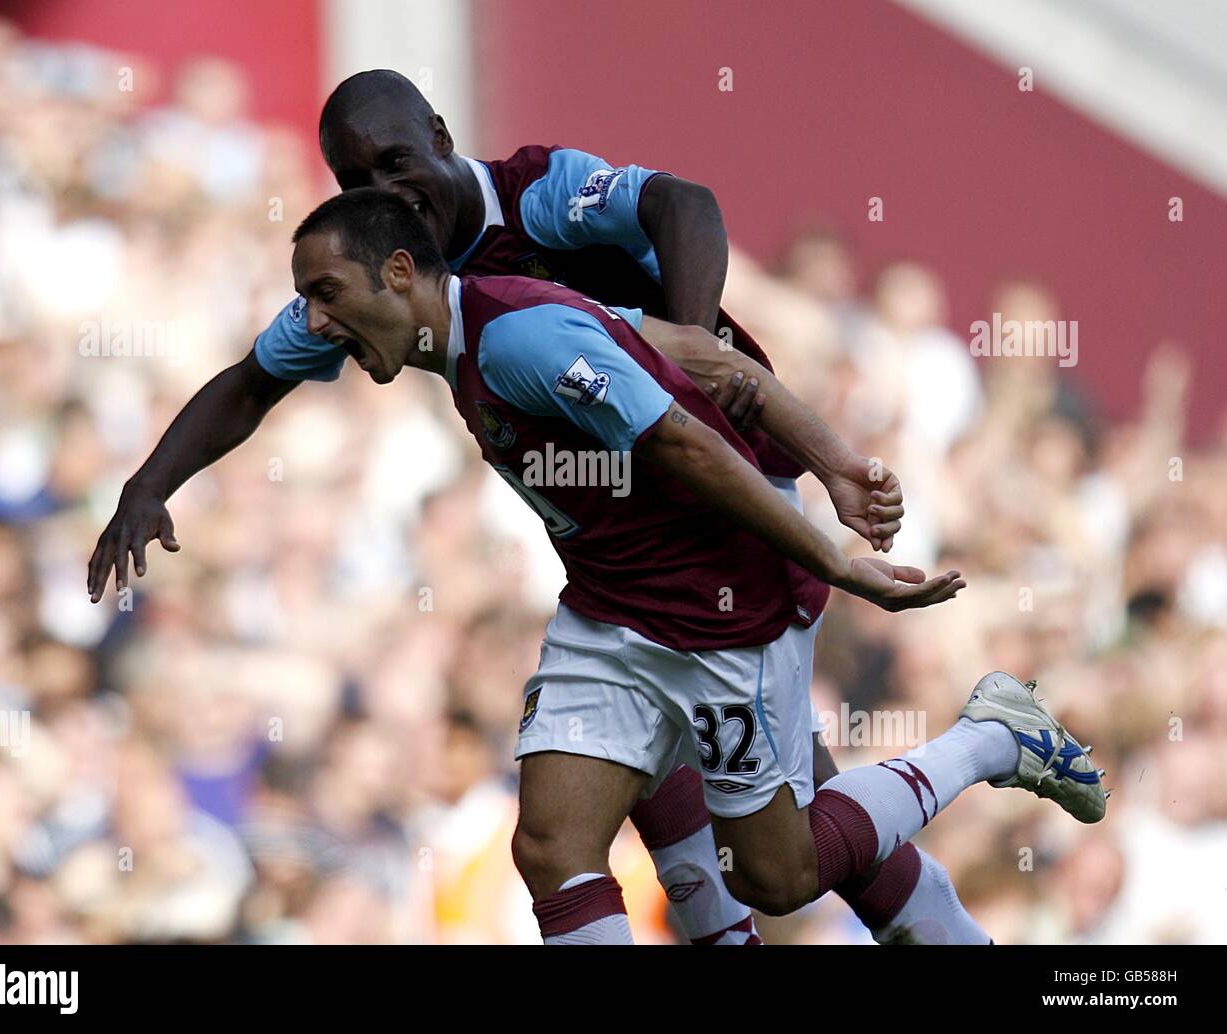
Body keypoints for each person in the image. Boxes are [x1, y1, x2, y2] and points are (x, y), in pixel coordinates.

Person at [88, 68, 972, 944]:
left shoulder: (538, 203)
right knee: (611, 835)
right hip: (622, 562)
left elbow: (687, 214)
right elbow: (251, 382)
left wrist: (802, 459)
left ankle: (985, 761)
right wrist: (146, 487)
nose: (385, 192)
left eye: (395, 163)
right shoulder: (368, 284)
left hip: (720, 514)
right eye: (357, 183)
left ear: (441, 134)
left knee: (777, 852)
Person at [285, 188, 1107, 943]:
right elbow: (708, 356)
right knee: (550, 846)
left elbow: (686, 431)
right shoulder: (482, 327)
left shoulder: (518, 327)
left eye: (326, 295)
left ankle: (990, 738)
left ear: (398, 270)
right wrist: (153, 489)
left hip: (721, 611)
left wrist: (834, 545)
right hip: (610, 609)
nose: (315, 324)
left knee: (779, 874)